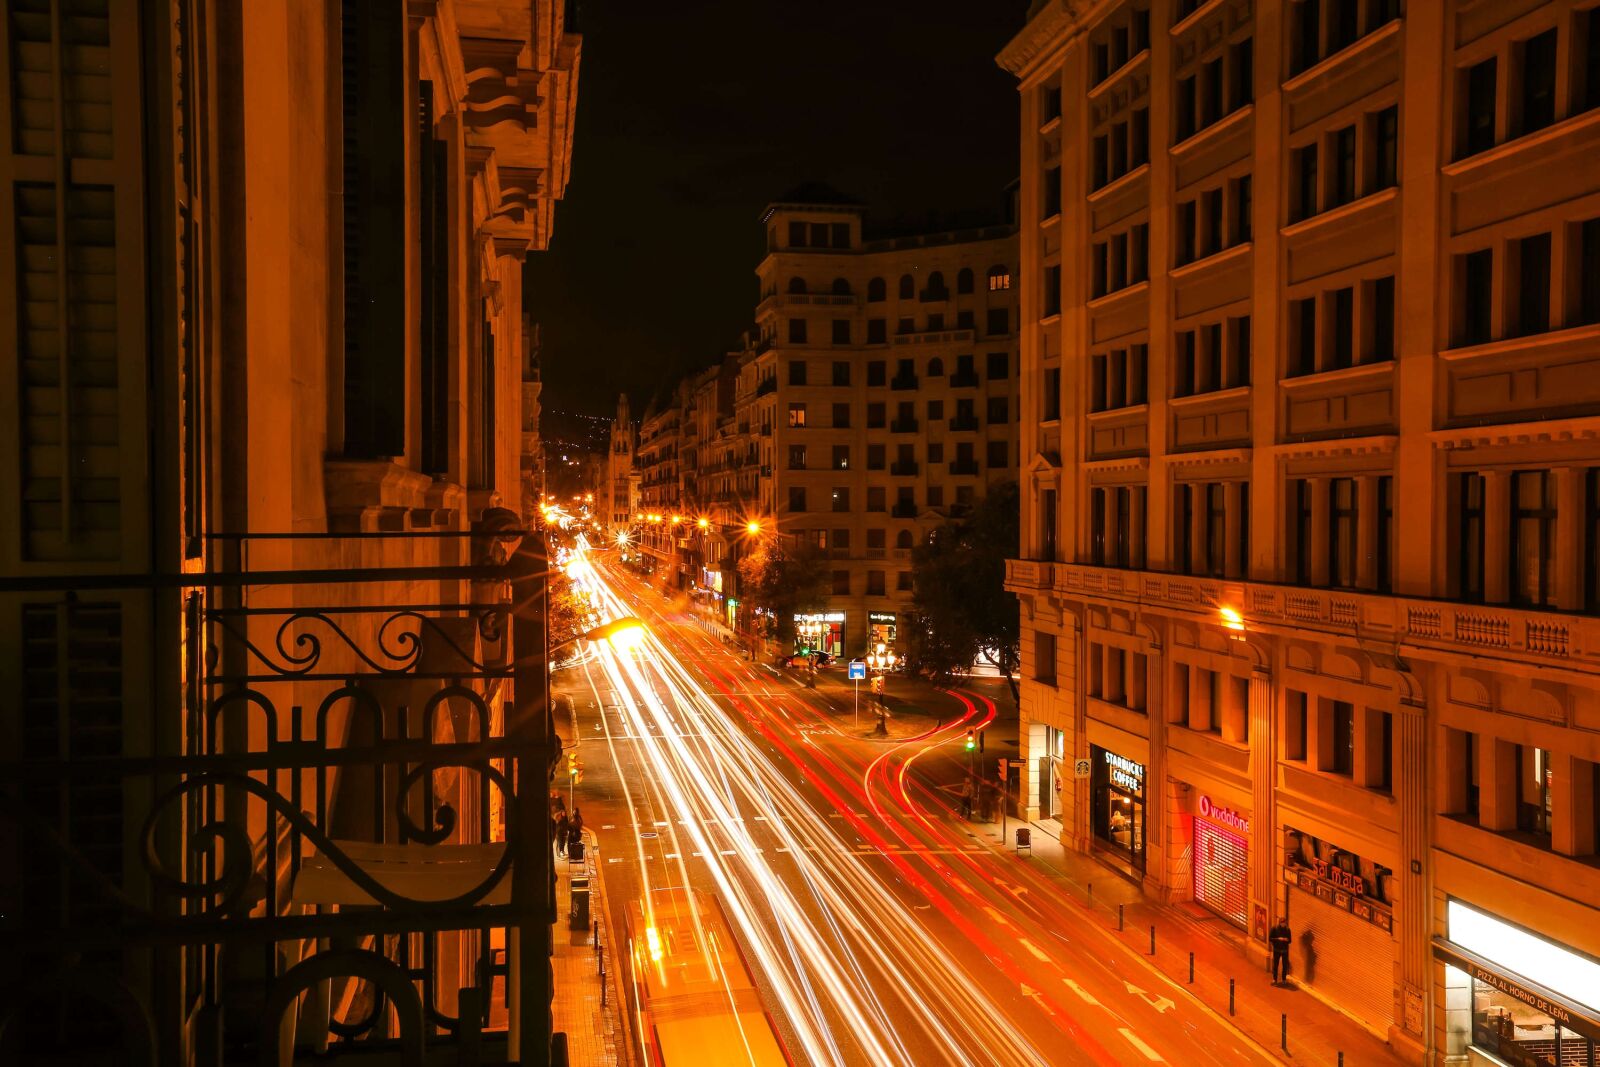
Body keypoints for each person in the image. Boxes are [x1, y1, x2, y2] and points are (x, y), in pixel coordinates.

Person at [1269, 918, 1292, 983]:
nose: (1283, 924)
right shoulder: (1274, 929)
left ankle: (1283, 979)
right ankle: (1274, 979)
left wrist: (1286, 940)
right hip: (1276, 950)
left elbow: (1290, 940)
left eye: (1284, 923)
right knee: (1275, 965)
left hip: (1284, 951)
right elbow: (1270, 938)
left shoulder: (1287, 930)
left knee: (1284, 965)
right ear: (1279, 923)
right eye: (1282, 922)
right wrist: (1278, 939)